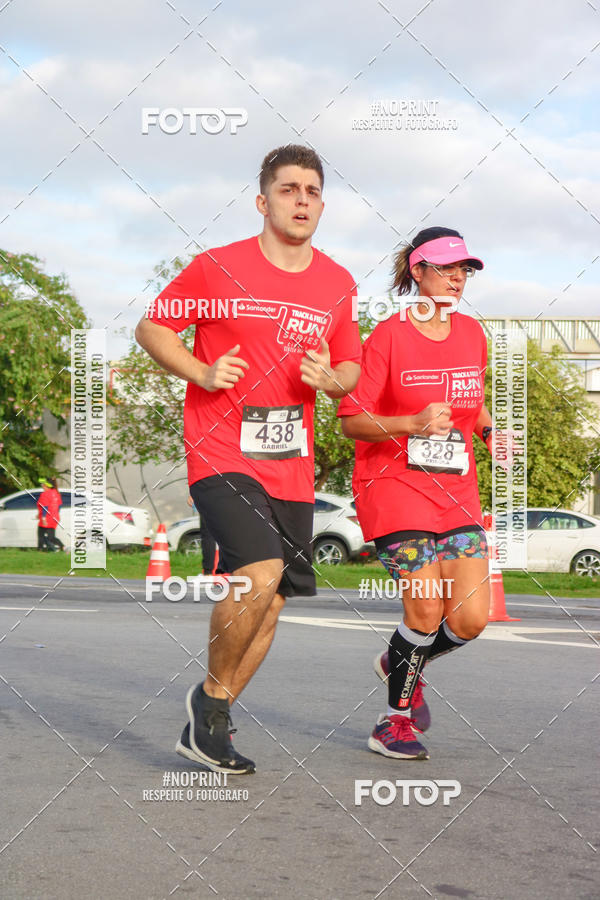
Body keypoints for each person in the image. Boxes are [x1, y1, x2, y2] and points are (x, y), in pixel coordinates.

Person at [136, 144, 361, 774]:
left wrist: (330, 378)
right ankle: (210, 704)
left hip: (291, 460)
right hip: (220, 448)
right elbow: (153, 328)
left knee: (274, 599)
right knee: (257, 576)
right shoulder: (216, 268)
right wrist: (202, 371)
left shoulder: (338, 282)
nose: (302, 200)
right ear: (263, 202)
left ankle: (211, 718)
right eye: (289, 189)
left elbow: (349, 370)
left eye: (313, 191)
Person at [339, 226, 496, 761]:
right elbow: (351, 421)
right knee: (426, 612)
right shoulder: (387, 336)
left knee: (471, 619)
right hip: (394, 486)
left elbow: (470, 403)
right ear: (417, 270)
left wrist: (492, 432)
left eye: (465, 269)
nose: (458, 277)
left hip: (456, 490)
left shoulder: (474, 334)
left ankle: (403, 659)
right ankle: (394, 720)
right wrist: (410, 422)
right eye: (447, 267)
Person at [186, 494, 222, 575]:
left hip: (209, 495)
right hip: (231, 496)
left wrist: (192, 493)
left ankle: (208, 574)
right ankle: (229, 572)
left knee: (208, 534)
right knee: (227, 534)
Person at [37, 478, 64, 551]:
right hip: (54, 518)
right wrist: (54, 514)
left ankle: (40, 550)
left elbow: (45, 506)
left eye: (43, 484)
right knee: (51, 537)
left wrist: (43, 518)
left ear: (46, 485)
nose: (41, 485)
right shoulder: (56, 493)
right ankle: (62, 546)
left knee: (41, 535)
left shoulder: (45, 494)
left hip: (46, 518)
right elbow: (59, 506)